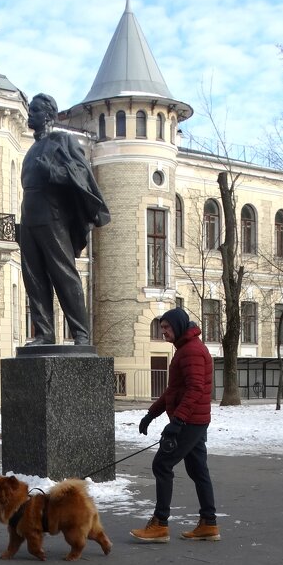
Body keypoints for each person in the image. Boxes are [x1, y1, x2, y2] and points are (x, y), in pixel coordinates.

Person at [18, 93, 111, 346]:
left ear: (48, 115)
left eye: (35, 110)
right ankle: (44, 333)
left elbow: (81, 174)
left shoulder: (62, 140)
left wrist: (54, 172)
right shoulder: (31, 149)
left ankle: (81, 333)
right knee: (34, 278)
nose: (30, 114)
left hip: (52, 217)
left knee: (63, 274)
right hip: (29, 218)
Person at [131, 307, 219, 542]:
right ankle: (209, 524)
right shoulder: (185, 349)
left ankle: (160, 524)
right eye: (162, 329)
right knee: (198, 471)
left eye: (167, 328)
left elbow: (195, 388)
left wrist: (178, 421)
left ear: (179, 326)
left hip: (190, 421)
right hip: (194, 420)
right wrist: (151, 414)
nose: (164, 333)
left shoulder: (190, 351)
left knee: (162, 464)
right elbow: (174, 390)